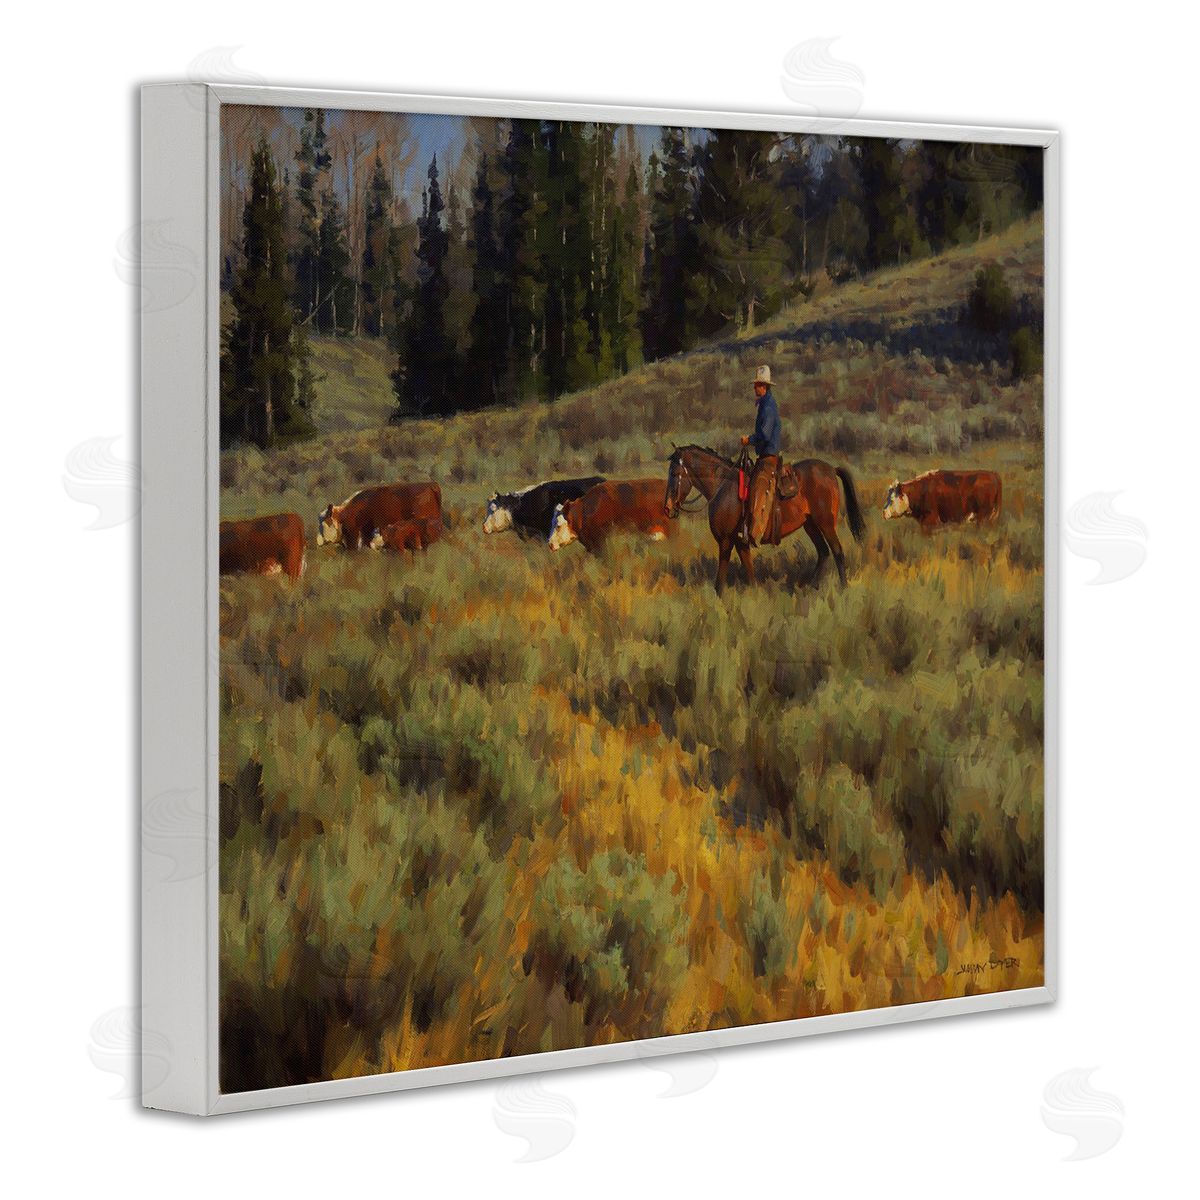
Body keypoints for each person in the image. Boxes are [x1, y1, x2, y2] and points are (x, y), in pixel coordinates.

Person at [738, 365, 781, 541]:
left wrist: (749, 440)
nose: (755, 388)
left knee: (757, 486)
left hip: (769, 457)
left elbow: (765, 434)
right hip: (764, 456)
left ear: (764, 386)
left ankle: (755, 531)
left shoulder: (768, 407)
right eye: (755, 384)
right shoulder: (764, 404)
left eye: (757, 385)